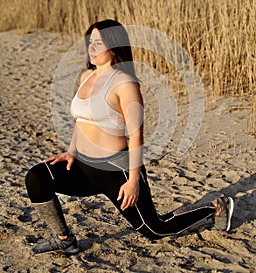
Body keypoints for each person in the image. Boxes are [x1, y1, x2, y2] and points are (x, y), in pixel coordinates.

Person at [25, 19, 234, 255]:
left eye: (98, 43)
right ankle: (65, 239)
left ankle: (215, 207)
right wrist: (71, 152)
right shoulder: (86, 76)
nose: (91, 48)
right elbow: (81, 120)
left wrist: (133, 180)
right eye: (89, 42)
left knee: (155, 230)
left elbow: (136, 135)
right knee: (37, 178)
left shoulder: (125, 84)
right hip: (83, 167)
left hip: (115, 171)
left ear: (114, 46)